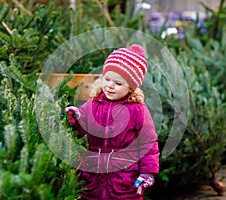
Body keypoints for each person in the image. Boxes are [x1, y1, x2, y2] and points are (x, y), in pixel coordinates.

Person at [65, 44, 159, 200]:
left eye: (118, 83)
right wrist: (75, 118)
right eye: (107, 79)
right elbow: (80, 129)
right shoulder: (93, 103)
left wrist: (148, 172)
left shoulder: (137, 110)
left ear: (131, 88)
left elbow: (148, 143)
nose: (110, 85)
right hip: (93, 176)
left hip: (124, 179)